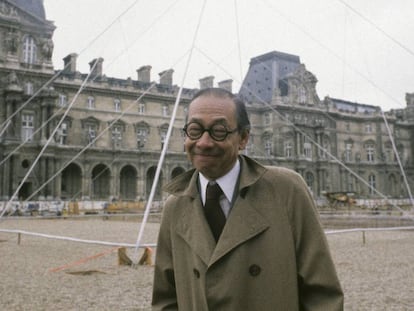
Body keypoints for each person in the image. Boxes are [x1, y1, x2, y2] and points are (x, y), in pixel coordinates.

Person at [152, 87, 344, 310]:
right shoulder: (175, 205)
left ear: (243, 138)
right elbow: (166, 299)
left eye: (219, 131)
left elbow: (323, 296)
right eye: (194, 130)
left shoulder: (287, 190)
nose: (203, 142)